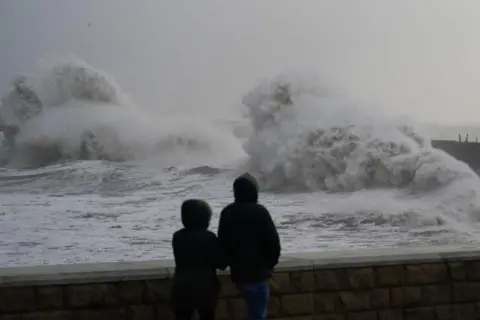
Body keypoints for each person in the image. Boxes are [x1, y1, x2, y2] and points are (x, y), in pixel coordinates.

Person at [217, 173, 281, 320]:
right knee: (258, 314)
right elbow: (273, 243)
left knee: (256, 311)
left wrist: (226, 263)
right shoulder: (260, 211)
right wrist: (270, 265)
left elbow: (222, 243)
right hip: (259, 274)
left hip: (239, 274)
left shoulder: (228, 212)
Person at [171, 199, 227, 320]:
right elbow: (221, 263)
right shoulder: (208, 237)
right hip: (205, 288)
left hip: (181, 286)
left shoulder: (178, 236)